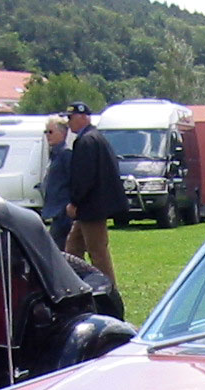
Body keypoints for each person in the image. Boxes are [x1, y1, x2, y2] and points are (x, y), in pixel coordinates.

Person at [61, 102, 128, 287]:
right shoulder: (96, 138)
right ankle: (73, 285)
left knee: (98, 252)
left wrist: (75, 201)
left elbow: (84, 176)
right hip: (91, 207)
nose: (68, 123)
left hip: (91, 207)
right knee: (72, 250)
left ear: (83, 117)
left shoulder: (86, 141)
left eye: (70, 118)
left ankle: (109, 290)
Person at [41, 116, 73, 251]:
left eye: (51, 132)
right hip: (54, 210)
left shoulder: (66, 154)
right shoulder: (54, 154)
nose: (47, 136)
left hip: (63, 211)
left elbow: (73, 181)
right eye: (46, 132)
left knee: (55, 249)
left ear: (63, 133)